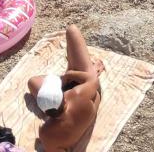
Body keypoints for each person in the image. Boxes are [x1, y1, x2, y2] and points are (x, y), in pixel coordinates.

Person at [28, 24, 103, 152]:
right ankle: (71, 71)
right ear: (64, 97)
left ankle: (69, 72)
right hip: (87, 91)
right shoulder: (76, 95)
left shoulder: (46, 133)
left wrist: (65, 79)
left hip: (62, 114)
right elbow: (93, 81)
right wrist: (70, 75)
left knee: (31, 82)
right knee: (72, 30)